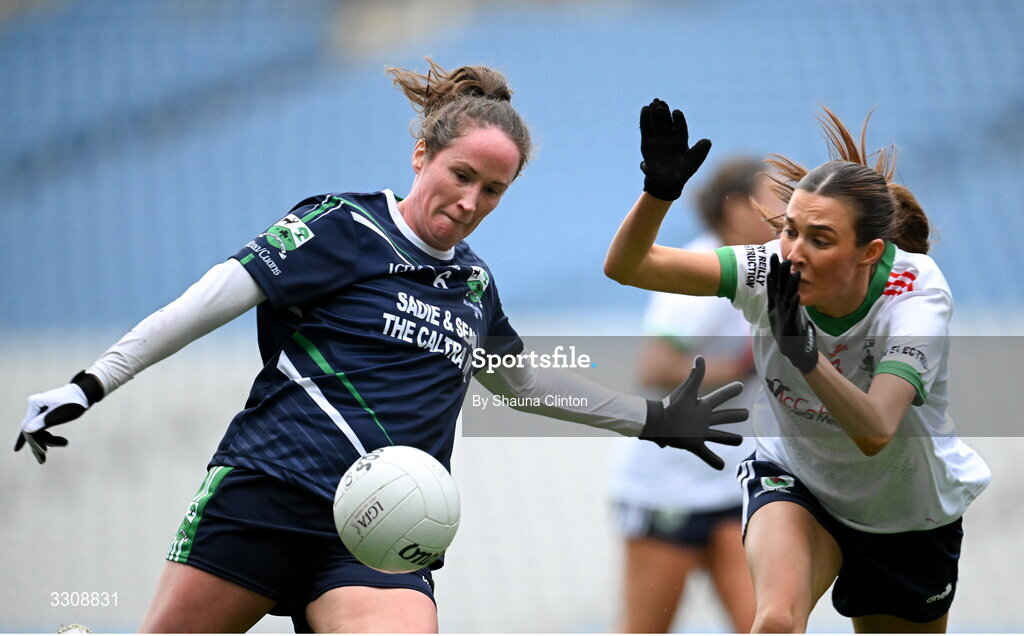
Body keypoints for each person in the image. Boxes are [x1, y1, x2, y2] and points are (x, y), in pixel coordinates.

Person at [14, 63, 747, 634]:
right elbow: (206, 300)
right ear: (422, 152)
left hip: (381, 530)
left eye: (493, 191)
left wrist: (651, 419)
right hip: (267, 492)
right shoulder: (340, 226)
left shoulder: (472, 284)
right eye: (462, 176)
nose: (471, 202)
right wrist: (92, 382)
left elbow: (521, 383)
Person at [604, 99, 991, 633]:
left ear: (869, 252)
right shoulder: (765, 269)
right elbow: (627, 266)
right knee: (773, 622)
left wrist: (802, 354)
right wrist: (658, 194)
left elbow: (877, 429)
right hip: (797, 476)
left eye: (820, 239)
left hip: (905, 507)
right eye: (789, 230)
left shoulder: (916, 295)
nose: (793, 253)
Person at [608, 158, 779, 633]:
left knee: (765, 624)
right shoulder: (701, 267)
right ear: (736, 209)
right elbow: (656, 366)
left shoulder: (771, 268)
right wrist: (744, 365)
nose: (785, 210)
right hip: (667, 484)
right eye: (774, 198)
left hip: (733, 480)